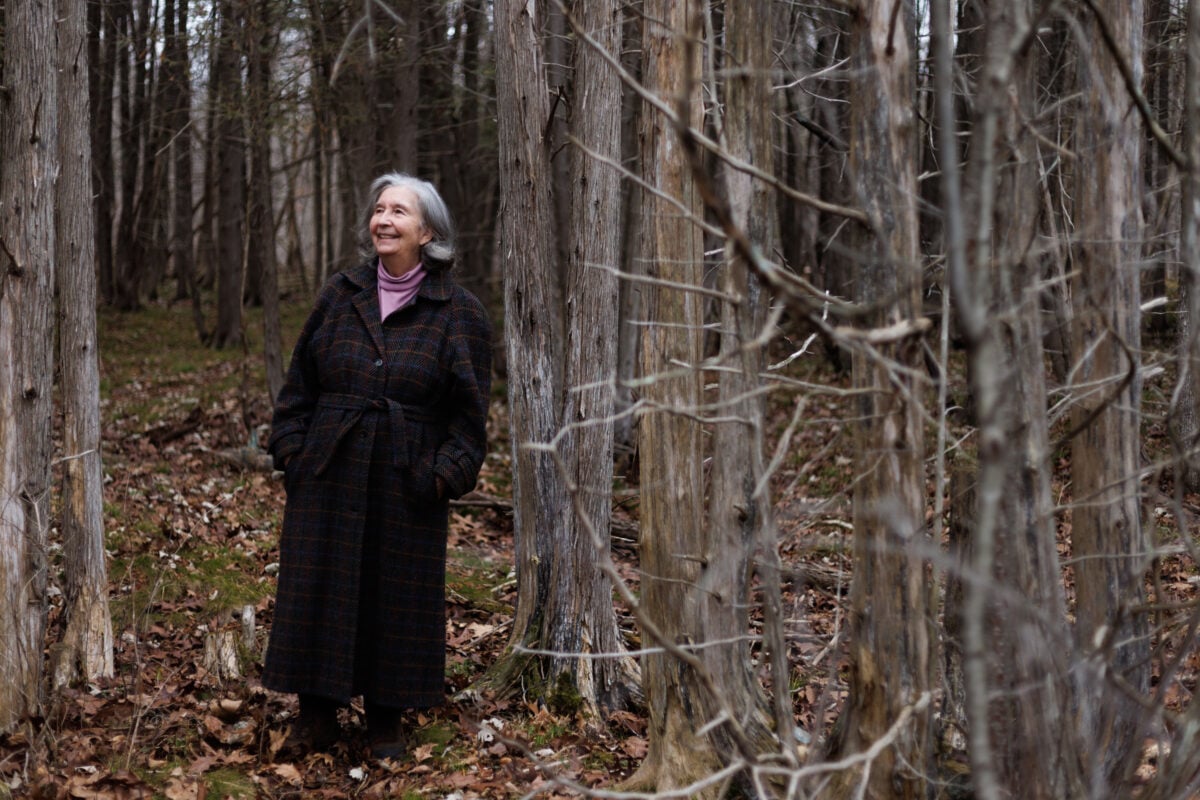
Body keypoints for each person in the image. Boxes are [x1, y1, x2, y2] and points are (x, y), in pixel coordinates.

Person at [264, 172, 492, 760]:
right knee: (319, 588)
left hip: (405, 480)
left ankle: (386, 722)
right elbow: (298, 388)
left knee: (393, 599)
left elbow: (469, 422)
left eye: (399, 212)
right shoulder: (340, 294)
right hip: (328, 471)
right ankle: (315, 716)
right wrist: (293, 453)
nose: (384, 220)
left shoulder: (460, 312)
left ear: (428, 232)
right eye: (379, 210)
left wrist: (440, 476)